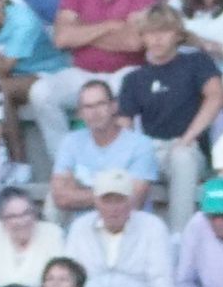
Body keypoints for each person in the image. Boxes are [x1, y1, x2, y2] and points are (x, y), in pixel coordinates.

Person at [29, 0, 160, 142]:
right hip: (82, 72)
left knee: (136, 88)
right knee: (41, 93)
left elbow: (135, 42)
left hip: (127, 73)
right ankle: (65, 164)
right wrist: (110, 26)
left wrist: (81, 33)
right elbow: (62, 39)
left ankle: (129, 164)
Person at [116, 4, 223, 229]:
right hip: (150, 148)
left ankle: (179, 235)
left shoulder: (196, 63)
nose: (157, 38)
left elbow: (215, 97)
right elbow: (124, 124)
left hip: (188, 145)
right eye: (150, 32)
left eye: (164, 31)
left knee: (182, 157)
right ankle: (126, 228)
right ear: (143, 36)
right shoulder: (134, 79)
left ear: (177, 34)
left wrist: (187, 138)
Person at [65, 169, 174, 287]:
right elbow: (68, 280)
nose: (113, 208)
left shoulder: (153, 228)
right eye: (107, 201)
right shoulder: (80, 228)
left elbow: (162, 282)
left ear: (131, 201)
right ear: (96, 202)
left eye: (119, 200)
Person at [51, 78, 160, 214]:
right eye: (88, 107)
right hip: (84, 228)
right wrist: (114, 194)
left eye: (100, 104)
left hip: (128, 227)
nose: (95, 112)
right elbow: (61, 198)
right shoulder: (70, 142)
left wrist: (79, 193)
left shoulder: (140, 144)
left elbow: (134, 201)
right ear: (80, 113)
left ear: (114, 106)